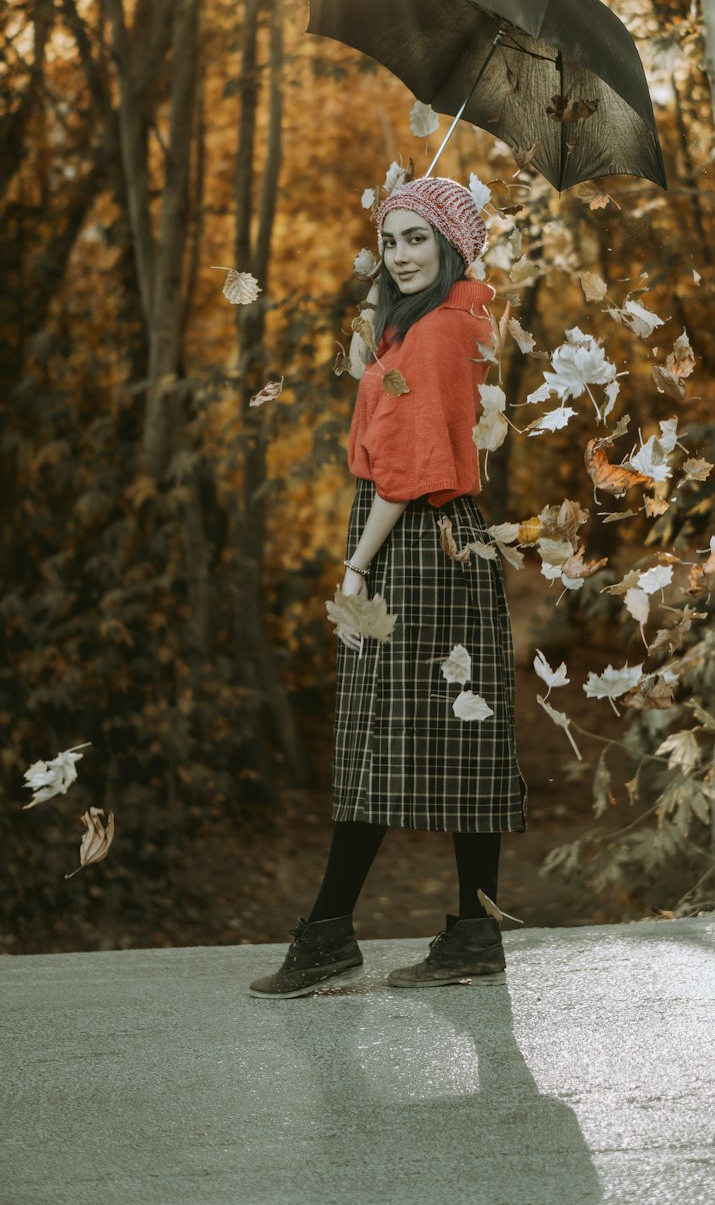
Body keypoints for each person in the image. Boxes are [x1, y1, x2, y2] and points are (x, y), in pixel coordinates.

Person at [250, 176, 527, 999]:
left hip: (408, 542)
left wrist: (356, 565)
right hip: (449, 546)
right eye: (392, 239)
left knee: (379, 736)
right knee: (456, 740)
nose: (403, 254)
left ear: (451, 245)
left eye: (418, 239)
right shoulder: (445, 321)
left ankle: (330, 932)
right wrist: (383, 325)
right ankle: (475, 933)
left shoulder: (440, 333)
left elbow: (402, 476)